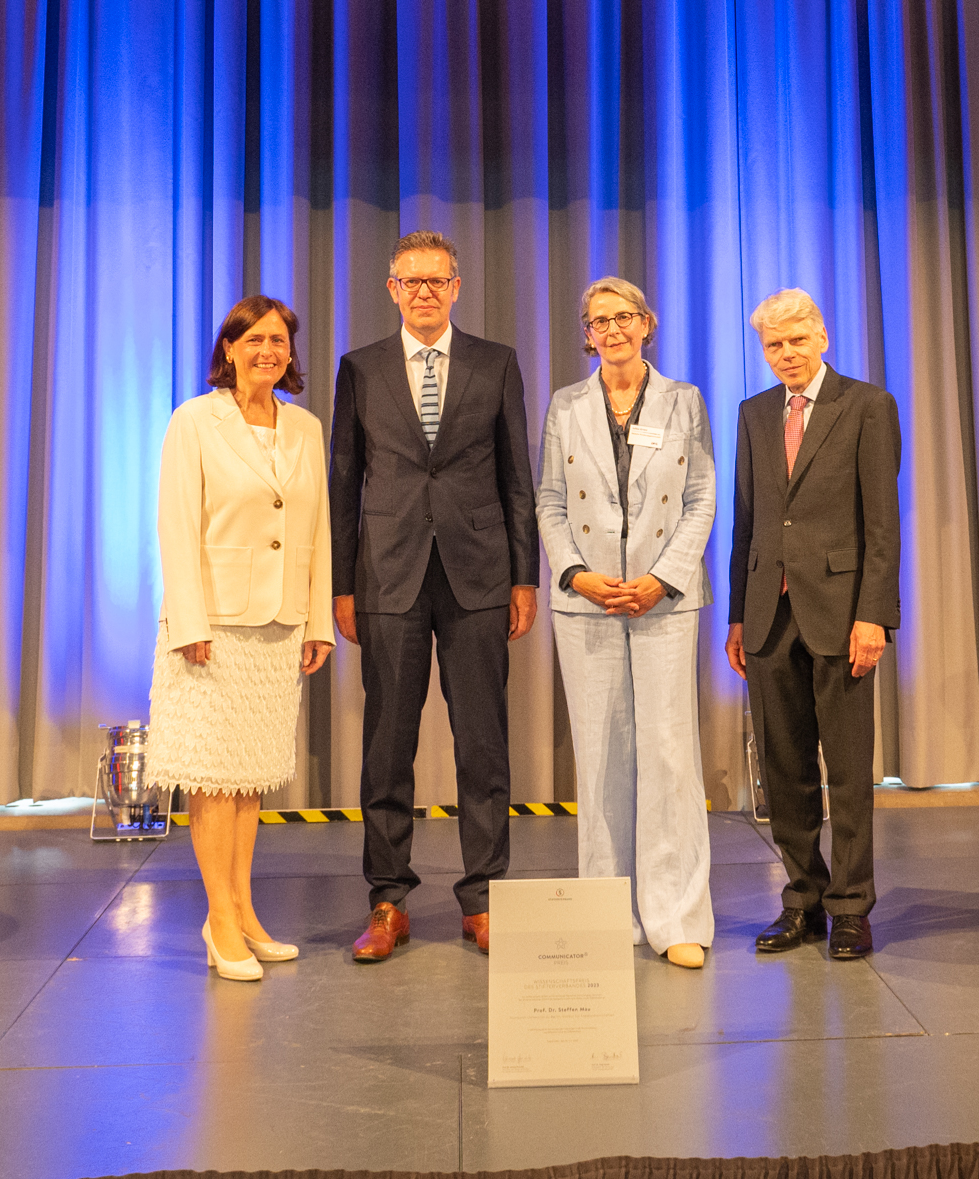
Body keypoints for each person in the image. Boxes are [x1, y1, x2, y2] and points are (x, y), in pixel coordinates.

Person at [329, 230, 539, 962]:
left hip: (479, 575)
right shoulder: (359, 368)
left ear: (456, 287)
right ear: (392, 290)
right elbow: (343, 483)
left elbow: (518, 475)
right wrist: (343, 584)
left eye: (436, 281)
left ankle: (484, 899)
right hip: (387, 577)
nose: (423, 292)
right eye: (409, 281)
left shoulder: (496, 362)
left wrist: (525, 575)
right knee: (388, 745)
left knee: (484, 743)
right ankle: (388, 900)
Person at [147, 295, 334, 982]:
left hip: (279, 626)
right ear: (228, 348)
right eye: (253, 338)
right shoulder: (194, 421)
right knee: (215, 779)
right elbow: (175, 524)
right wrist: (188, 621)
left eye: (279, 339)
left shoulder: (306, 428)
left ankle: (243, 910)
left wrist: (318, 621)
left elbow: (317, 529)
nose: (267, 350)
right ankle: (218, 919)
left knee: (251, 777)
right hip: (214, 624)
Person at [536, 278, 717, 969]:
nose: (611, 329)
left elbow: (701, 498)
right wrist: (576, 573)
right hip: (587, 599)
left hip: (662, 598)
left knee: (669, 755)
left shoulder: (684, 401)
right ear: (587, 332)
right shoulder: (566, 405)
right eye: (598, 320)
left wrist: (660, 577)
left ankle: (676, 915)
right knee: (602, 751)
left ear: (648, 323)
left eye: (623, 317)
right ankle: (608, 908)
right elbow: (550, 500)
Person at [725, 288, 901, 960]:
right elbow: (749, 523)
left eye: (796, 340)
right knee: (784, 767)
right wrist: (740, 613)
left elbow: (881, 524)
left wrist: (874, 616)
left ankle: (851, 906)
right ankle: (802, 896)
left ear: (822, 336)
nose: (786, 354)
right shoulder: (753, 413)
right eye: (774, 345)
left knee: (849, 772)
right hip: (770, 615)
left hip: (842, 615)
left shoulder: (866, 406)